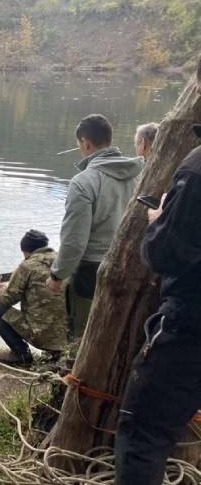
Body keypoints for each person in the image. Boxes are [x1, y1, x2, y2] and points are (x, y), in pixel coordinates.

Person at [114, 62, 201, 484]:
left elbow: (166, 254)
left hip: (190, 327)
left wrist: (157, 222)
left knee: (142, 434)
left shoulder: (197, 170)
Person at [46, 114, 144, 340]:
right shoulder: (139, 173)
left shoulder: (84, 181)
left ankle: (79, 373)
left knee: (84, 334)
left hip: (91, 269)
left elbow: (74, 239)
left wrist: (57, 275)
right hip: (130, 262)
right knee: (118, 329)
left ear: (85, 143)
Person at [0, 230, 67, 366]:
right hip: (65, 337)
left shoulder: (26, 266)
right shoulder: (63, 260)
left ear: (26, 251)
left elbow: (7, 299)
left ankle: (21, 354)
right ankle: (56, 352)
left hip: (41, 336)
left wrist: (0, 288)